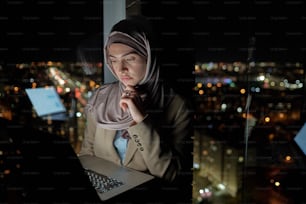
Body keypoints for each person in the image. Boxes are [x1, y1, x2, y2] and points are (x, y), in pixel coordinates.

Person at [78, 15, 194, 202]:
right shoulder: (101, 98)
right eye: (113, 60)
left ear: (149, 57)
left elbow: (170, 174)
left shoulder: (177, 106)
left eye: (130, 58)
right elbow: (87, 153)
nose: (120, 68)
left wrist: (141, 121)